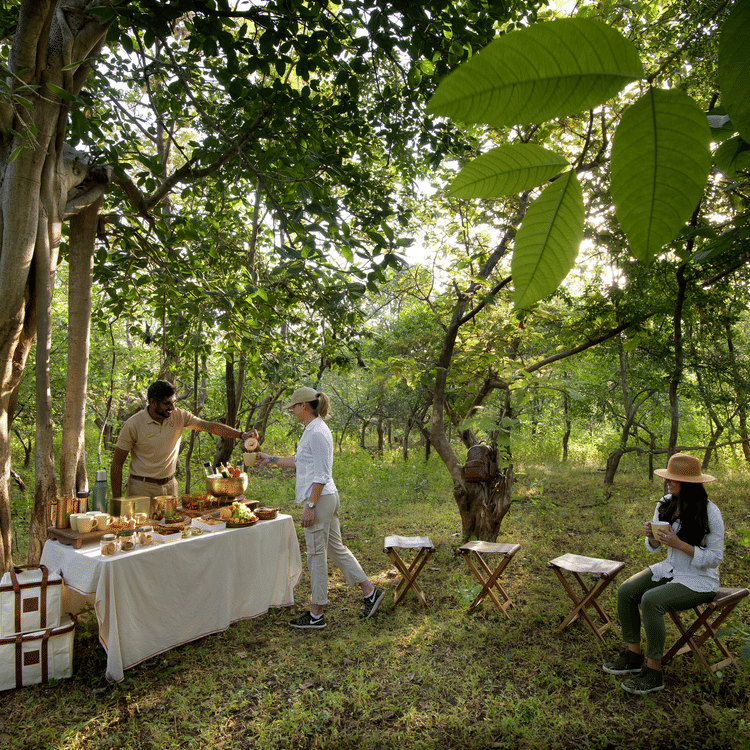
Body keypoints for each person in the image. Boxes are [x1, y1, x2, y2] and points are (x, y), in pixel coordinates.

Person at [256, 386, 385, 628]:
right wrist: (270, 459)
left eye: (293, 407)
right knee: (335, 549)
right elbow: (299, 462)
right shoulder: (311, 430)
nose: (292, 411)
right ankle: (370, 592)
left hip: (320, 499)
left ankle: (317, 613)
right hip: (326, 497)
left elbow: (322, 473)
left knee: (316, 555)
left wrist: (310, 505)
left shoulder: (317, 432)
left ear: (303, 406)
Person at [602, 453, 724, 694]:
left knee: (652, 600)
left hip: (699, 579)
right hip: (669, 570)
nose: (668, 482)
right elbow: (655, 547)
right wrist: (652, 537)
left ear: (689, 484)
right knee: (626, 591)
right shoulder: (666, 502)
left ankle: (654, 671)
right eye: (668, 478)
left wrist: (680, 544)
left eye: (674, 480)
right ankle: (632, 655)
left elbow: (715, 558)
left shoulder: (710, 512)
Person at [111, 380, 255, 499]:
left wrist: (242, 435)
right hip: (141, 488)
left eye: (174, 402)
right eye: (167, 403)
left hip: (169, 486)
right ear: (153, 402)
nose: (172, 407)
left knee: (170, 529)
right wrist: (117, 501)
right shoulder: (133, 424)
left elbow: (209, 427)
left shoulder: (179, 416)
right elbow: (117, 463)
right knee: (142, 531)